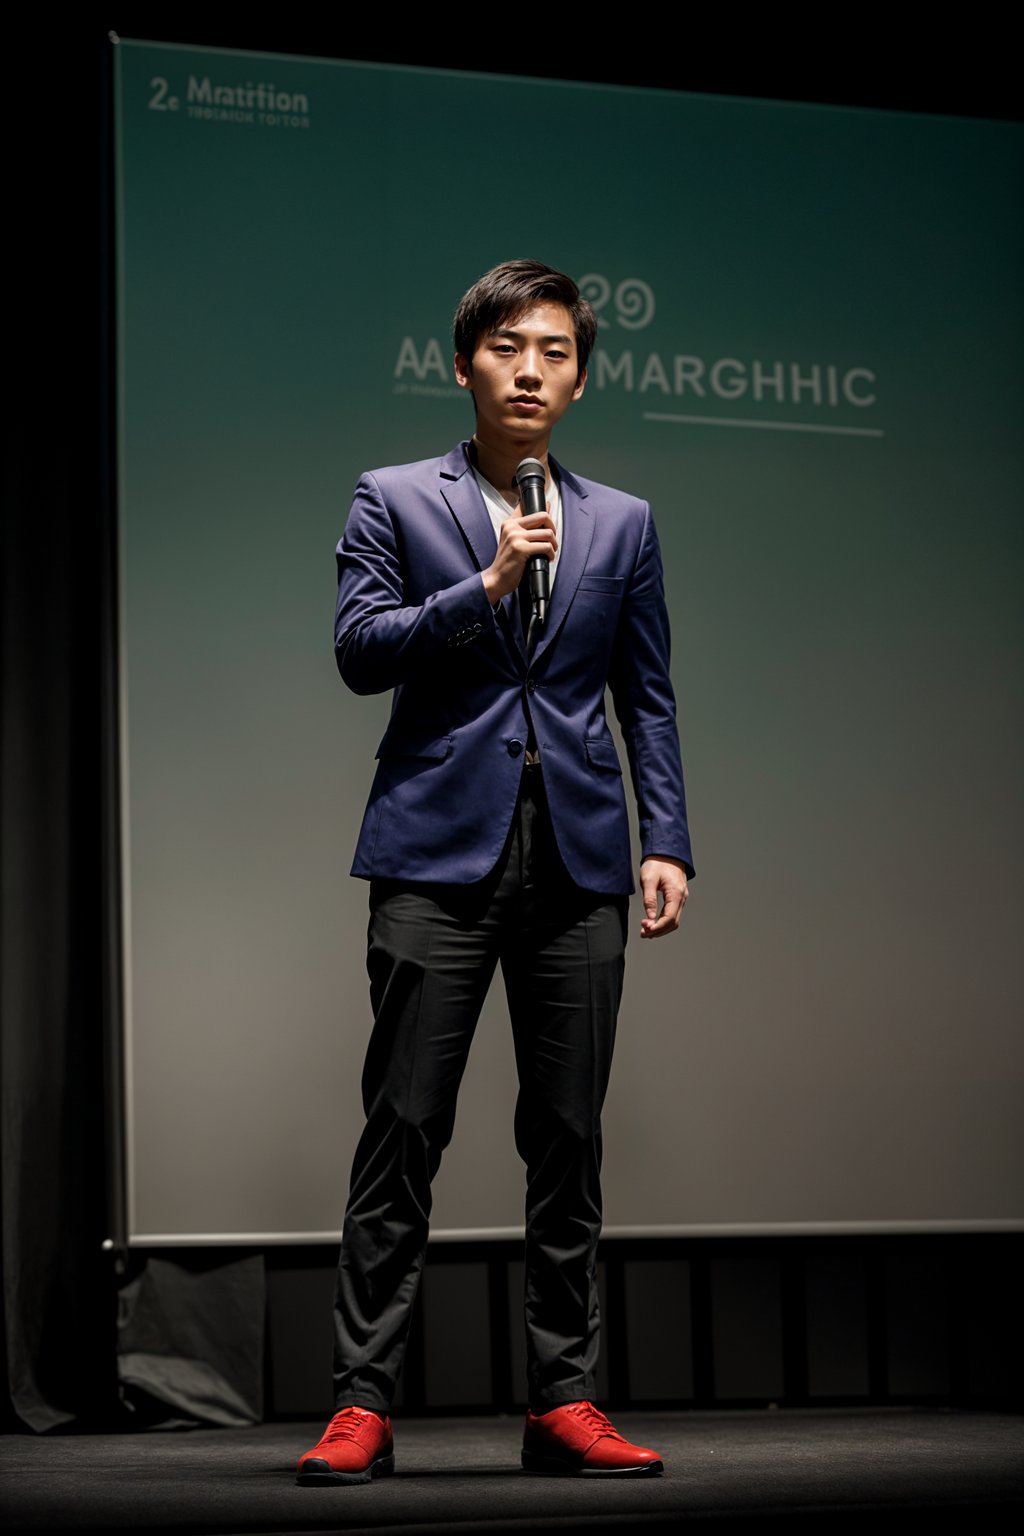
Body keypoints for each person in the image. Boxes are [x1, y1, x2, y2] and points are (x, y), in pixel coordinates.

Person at [297, 259, 694, 1485]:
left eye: (558, 352)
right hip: (433, 855)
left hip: (577, 856)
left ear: (578, 376)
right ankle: (361, 1402)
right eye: (510, 348)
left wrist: (664, 837)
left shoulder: (621, 520)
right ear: (463, 361)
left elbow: (647, 696)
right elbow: (362, 652)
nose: (532, 370)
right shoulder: (394, 498)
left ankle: (562, 1401)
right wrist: (484, 587)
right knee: (402, 1129)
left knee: (567, 1137)